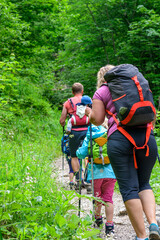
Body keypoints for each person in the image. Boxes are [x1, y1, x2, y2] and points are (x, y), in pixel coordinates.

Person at [85, 64, 160, 240]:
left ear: (102, 78)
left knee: (129, 189)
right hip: (147, 137)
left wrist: (89, 114)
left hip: (120, 139)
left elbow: (98, 120)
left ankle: (142, 236)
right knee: (144, 184)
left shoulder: (102, 91)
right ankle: (153, 223)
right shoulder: (136, 85)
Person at [76, 120, 116, 236]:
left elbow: (81, 154)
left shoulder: (90, 134)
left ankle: (98, 218)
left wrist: (79, 150)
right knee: (108, 199)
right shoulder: (110, 133)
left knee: (97, 197)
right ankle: (109, 226)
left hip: (95, 173)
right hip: (110, 172)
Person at [59, 83, 90, 189]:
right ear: (82, 91)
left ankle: (78, 180)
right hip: (88, 131)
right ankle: (89, 180)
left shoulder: (68, 103)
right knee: (89, 155)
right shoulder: (88, 101)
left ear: (72, 92)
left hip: (74, 132)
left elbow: (62, 121)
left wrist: (66, 122)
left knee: (74, 156)